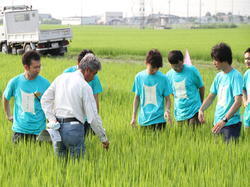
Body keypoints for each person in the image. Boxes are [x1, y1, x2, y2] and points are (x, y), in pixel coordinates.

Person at [41, 54, 109, 158]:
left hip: (56, 129)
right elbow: (93, 117)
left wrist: (52, 119)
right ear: (87, 70)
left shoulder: (61, 78)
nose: (94, 77)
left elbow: (45, 99)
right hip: (73, 129)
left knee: (61, 165)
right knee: (77, 166)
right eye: (94, 74)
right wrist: (103, 138)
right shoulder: (84, 86)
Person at [198, 43, 243, 142]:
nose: (213, 62)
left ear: (224, 59)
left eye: (215, 60)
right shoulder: (219, 76)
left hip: (230, 124)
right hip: (217, 123)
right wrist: (201, 109)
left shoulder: (236, 76)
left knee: (230, 155)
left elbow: (238, 102)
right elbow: (211, 96)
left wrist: (224, 120)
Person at [2, 51, 50, 143]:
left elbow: (50, 105)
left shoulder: (46, 84)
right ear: (26, 67)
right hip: (20, 130)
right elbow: (5, 97)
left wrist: (50, 123)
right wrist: (8, 115)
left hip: (39, 131)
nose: (38, 70)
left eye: (39, 66)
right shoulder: (15, 82)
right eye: (35, 67)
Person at [130, 49, 172, 130]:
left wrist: (167, 110)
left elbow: (168, 99)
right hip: (143, 120)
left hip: (159, 120)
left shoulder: (164, 78)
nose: (155, 70)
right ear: (146, 63)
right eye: (152, 67)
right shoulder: (139, 77)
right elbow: (137, 98)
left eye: (157, 68)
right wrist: (133, 117)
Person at [64, 49, 103, 135]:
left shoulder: (94, 77)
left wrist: (95, 119)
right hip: (69, 117)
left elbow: (95, 97)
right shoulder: (67, 73)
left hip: (86, 118)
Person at [166, 50, 205, 125]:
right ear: (171, 65)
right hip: (179, 113)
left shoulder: (192, 70)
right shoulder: (169, 75)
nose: (178, 68)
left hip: (194, 110)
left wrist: (201, 106)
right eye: (175, 67)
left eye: (180, 65)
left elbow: (201, 87)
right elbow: (172, 93)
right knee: (182, 134)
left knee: (193, 134)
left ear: (183, 61)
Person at [243, 48, 250, 128]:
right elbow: (243, 88)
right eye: (246, 59)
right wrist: (244, 101)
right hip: (248, 112)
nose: (247, 61)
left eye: (249, 59)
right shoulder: (247, 74)